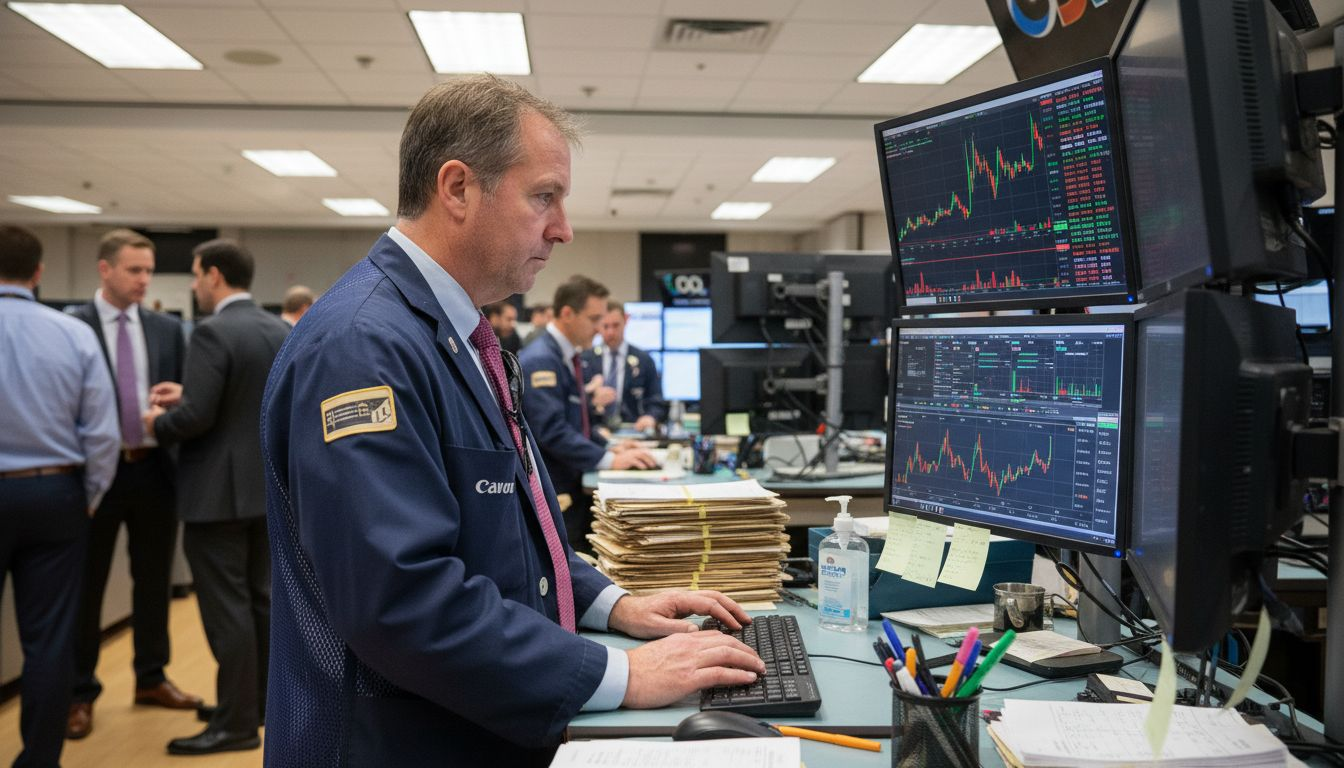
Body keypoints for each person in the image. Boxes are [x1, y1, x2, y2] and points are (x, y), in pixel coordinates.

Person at [260, 75, 763, 768]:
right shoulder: (362, 345)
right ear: (458, 188)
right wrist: (619, 674)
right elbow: (402, 599)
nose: (563, 228)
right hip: (396, 743)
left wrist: (614, 605)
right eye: (544, 196)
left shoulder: (457, 336)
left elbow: (510, 532)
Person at [144, 239, 290, 756]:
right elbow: (252, 401)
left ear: (213, 276)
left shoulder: (211, 332)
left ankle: (233, 725)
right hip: (265, 493)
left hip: (215, 499)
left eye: (195, 274)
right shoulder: (279, 329)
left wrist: (158, 423)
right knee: (261, 604)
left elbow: (198, 418)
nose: (193, 284)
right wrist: (192, 396)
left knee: (226, 613)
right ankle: (259, 706)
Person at [66, 228, 202, 740]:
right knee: (87, 586)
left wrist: (180, 397)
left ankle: (151, 677)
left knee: (153, 581)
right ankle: (79, 691)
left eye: (148, 270)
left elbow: (189, 398)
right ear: (105, 269)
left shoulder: (167, 328)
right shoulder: (73, 326)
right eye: (134, 270)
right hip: (95, 473)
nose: (145, 279)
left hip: (153, 469)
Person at [0, 225, 121, 768]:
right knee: (49, 639)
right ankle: (39, 760)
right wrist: (87, 496)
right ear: (39, 272)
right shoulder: (71, 332)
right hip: (56, 493)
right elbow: (102, 433)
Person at [519, 276, 657, 551]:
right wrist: (608, 459)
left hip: (570, 478)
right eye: (595, 319)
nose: (599, 329)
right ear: (568, 314)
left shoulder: (567, 355)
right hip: (556, 486)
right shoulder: (542, 359)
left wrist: (611, 447)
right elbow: (551, 430)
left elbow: (576, 421)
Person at [583, 300, 667, 433]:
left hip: (633, 430)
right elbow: (574, 403)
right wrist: (592, 401)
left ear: (626, 320)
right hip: (597, 431)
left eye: (616, 325)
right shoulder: (585, 359)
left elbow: (656, 400)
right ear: (598, 326)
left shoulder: (644, 360)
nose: (610, 332)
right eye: (605, 326)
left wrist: (650, 417)